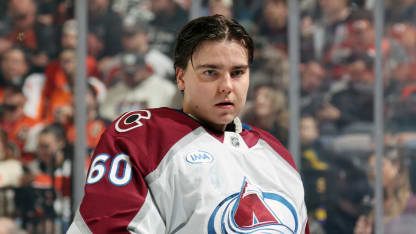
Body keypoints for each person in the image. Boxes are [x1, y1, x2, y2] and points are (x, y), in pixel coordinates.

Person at [67, 14, 309, 233]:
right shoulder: (143, 138)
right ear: (181, 77)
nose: (227, 86)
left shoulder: (277, 155)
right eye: (211, 72)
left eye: (237, 73)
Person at [353, 147, 416, 234]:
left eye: (380, 166)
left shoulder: (412, 205)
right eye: (372, 168)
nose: (374, 172)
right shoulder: (376, 204)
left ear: (396, 166)